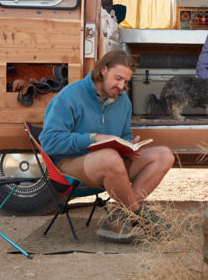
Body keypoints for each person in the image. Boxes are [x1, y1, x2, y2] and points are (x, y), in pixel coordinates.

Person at [40, 50, 174, 243]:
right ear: (103, 70)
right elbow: (49, 142)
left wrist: (130, 147)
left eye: (126, 81)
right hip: (70, 165)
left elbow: (124, 135)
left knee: (164, 155)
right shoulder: (70, 95)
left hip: (112, 164)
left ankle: (118, 216)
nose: (121, 86)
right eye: (118, 78)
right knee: (109, 156)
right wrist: (93, 139)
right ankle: (138, 213)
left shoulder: (123, 101)